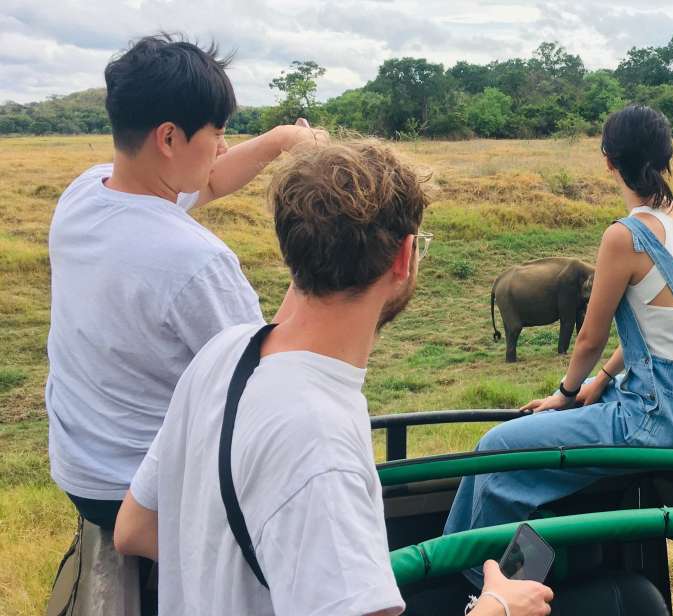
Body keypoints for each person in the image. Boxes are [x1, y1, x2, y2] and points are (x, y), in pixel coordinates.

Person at [112, 141, 553, 616]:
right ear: (404, 257)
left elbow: (133, 528)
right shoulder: (321, 442)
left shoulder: (222, 353)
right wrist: (498, 608)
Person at [44, 34, 322, 614]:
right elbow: (268, 383)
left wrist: (283, 140)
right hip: (138, 492)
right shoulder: (195, 263)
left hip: (80, 465)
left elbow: (209, 182)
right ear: (169, 137)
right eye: (217, 133)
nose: (223, 149)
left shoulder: (86, 194)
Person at [444, 105, 673, 542]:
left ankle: (475, 582)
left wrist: (567, 392)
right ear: (668, 154)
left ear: (608, 160)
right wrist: (604, 380)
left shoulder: (625, 236)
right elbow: (662, 329)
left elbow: (590, 338)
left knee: (496, 447)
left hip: (650, 420)